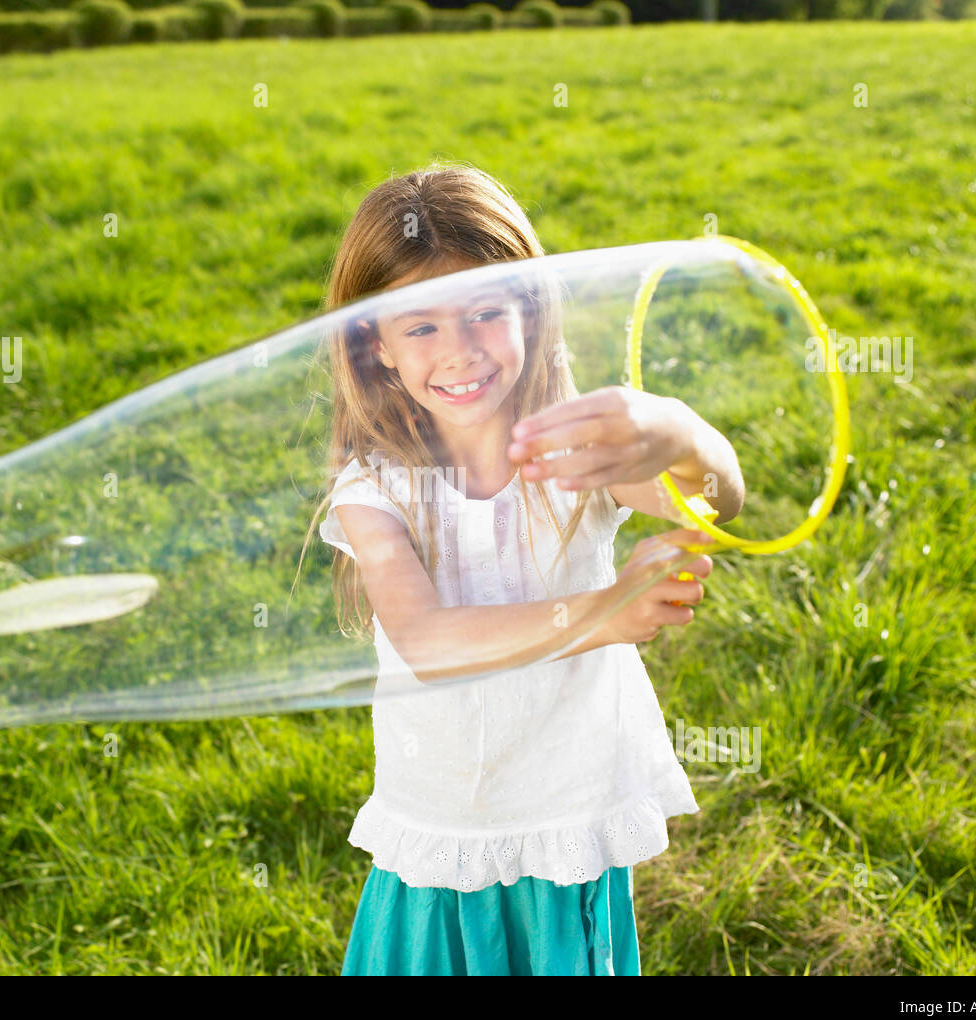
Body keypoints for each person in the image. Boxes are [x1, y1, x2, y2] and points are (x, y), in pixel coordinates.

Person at [308, 161, 744, 975]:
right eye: (422, 325)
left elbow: (716, 500)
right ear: (377, 344)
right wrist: (606, 612)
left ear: (530, 309)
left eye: (484, 311)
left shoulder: (577, 449)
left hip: (565, 818)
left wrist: (683, 436)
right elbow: (430, 643)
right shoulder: (377, 489)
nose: (460, 349)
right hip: (447, 836)